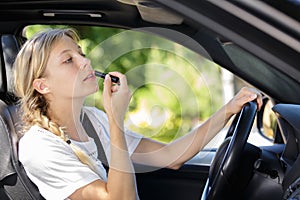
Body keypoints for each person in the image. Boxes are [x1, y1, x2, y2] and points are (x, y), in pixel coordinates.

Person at [13, 28, 262, 200]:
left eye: (81, 53)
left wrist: (228, 109)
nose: (85, 62)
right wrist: (115, 119)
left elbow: (170, 156)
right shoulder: (38, 146)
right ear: (42, 86)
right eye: (68, 60)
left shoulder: (91, 119)